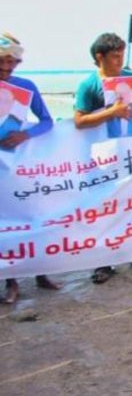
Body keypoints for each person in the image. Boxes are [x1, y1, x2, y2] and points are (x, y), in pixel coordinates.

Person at [74, 33, 132, 284]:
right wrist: (111, 112)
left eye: (122, 55)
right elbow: (79, 121)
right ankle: (103, 263)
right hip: (103, 158)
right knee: (105, 208)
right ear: (99, 57)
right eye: (115, 56)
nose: (119, 61)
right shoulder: (89, 85)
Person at [0, 32, 60, 303]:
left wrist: (26, 135)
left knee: (31, 217)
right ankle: (11, 281)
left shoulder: (26, 86)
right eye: (2, 61)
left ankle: (41, 273)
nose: (7, 68)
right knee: (4, 223)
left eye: (12, 62)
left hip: (19, 165)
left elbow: (47, 121)